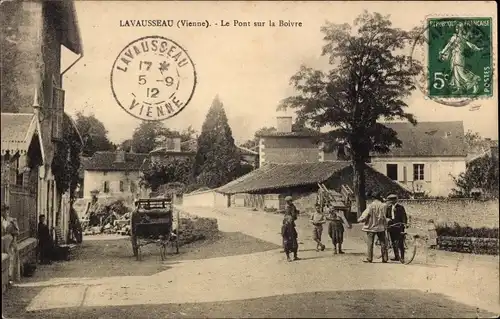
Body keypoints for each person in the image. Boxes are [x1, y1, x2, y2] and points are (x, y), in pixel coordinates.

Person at [357, 191, 388, 263]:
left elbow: (365, 215)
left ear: (373, 198)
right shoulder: (383, 205)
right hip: (381, 227)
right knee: (383, 242)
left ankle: (369, 258)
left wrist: (360, 219)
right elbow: (384, 216)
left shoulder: (371, 206)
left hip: (371, 227)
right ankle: (385, 258)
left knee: (370, 243)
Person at [1, 204, 20, 283]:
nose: (5, 212)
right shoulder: (1, 220)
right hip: (2, 242)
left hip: (10, 241)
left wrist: (14, 242)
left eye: (6, 210)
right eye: (3, 211)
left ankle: (10, 277)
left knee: (11, 258)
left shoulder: (12, 220)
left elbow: (16, 232)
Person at [386, 194, 408, 262]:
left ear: (396, 200)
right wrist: (387, 220)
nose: (390, 201)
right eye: (390, 200)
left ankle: (402, 257)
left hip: (399, 226)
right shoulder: (388, 208)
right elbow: (386, 216)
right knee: (394, 242)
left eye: (392, 200)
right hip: (391, 227)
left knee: (400, 243)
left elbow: (404, 216)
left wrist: (405, 223)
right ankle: (396, 256)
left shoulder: (400, 207)